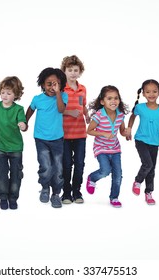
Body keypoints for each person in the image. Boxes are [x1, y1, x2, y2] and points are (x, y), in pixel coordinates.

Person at [126, 79, 159, 206]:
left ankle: (149, 193)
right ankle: (137, 181)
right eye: (148, 92)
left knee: (152, 168)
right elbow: (132, 117)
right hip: (141, 140)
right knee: (148, 164)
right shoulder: (140, 107)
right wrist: (129, 128)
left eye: (154, 91)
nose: (151, 94)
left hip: (154, 143)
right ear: (143, 93)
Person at [0, 76, 27, 210]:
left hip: (16, 148)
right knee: (1, 173)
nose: (5, 96)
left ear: (16, 95)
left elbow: (23, 124)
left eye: (9, 93)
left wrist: (22, 125)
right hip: (0, 147)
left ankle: (13, 198)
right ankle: (3, 197)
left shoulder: (18, 109)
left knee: (16, 174)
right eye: (3, 92)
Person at [26, 67, 68, 208]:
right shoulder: (38, 99)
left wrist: (57, 93)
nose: (52, 86)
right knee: (45, 166)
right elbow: (31, 109)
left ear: (61, 85)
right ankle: (45, 187)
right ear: (42, 85)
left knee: (58, 167)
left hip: (57, 138)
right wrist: (25, 122)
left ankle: (56, 194)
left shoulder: (63, 96)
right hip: (41, 138)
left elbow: (61, 109)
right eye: (49, 84)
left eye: (56, 84)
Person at [86, 85, 129, 208]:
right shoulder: (99, 115)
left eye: (116, 98)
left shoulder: (120, 115)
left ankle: (114, 197)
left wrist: (126, 134)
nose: (113, 101)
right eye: (109, 98)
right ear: (102, 101)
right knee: (105, 170)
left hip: (115, 148)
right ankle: (92, 178)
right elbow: (89, 130)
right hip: (101, 148)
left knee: (118, 174)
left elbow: (121, 131)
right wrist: (103, 133)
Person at [60, 55, 90, 204]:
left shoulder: (82, 89)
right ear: (64, 71)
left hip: (80, 134)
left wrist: (88, 116)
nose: (73, 73)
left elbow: (82, 105)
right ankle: (66, 193)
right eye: (70, 70)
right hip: (64, 134)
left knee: (79, 163)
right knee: (66, 165)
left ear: (80, 72)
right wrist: (69, 112)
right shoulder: (60, 89)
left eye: (75, 70)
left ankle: (77, 192)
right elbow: (57, 109)